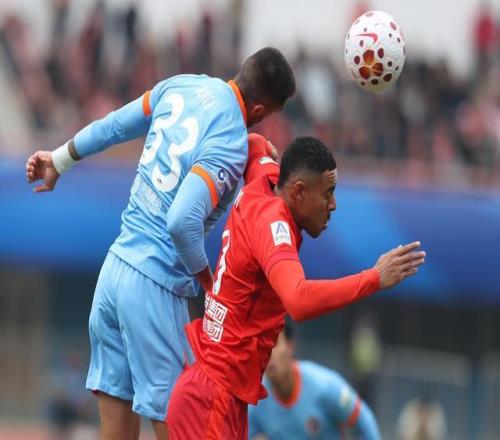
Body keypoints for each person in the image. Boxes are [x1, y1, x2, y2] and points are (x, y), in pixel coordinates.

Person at [26, 48, 296, 440]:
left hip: (114, 271)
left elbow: (115, 125)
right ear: (259, 110)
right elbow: (182, 221)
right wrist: (208, 282)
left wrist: (59, 160)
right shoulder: (230, 140)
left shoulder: (182, 84)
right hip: (154, 287)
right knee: (184, 426)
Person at [166, 133, 426, 439]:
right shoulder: (273, 226)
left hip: (221, 393)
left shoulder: (264, 176)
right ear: (299, 191)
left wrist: (261, 142)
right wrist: (374, 278)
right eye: (327, 193)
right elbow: (298, 301)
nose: (333, 205)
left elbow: (250, 145)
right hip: (212, 398)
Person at [248, 323, 381, 440]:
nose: (269, 353)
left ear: (290, 347)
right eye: (262, 346)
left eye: (275, 344)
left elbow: (364, 420)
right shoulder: (255, 403)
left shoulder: (324, 386)